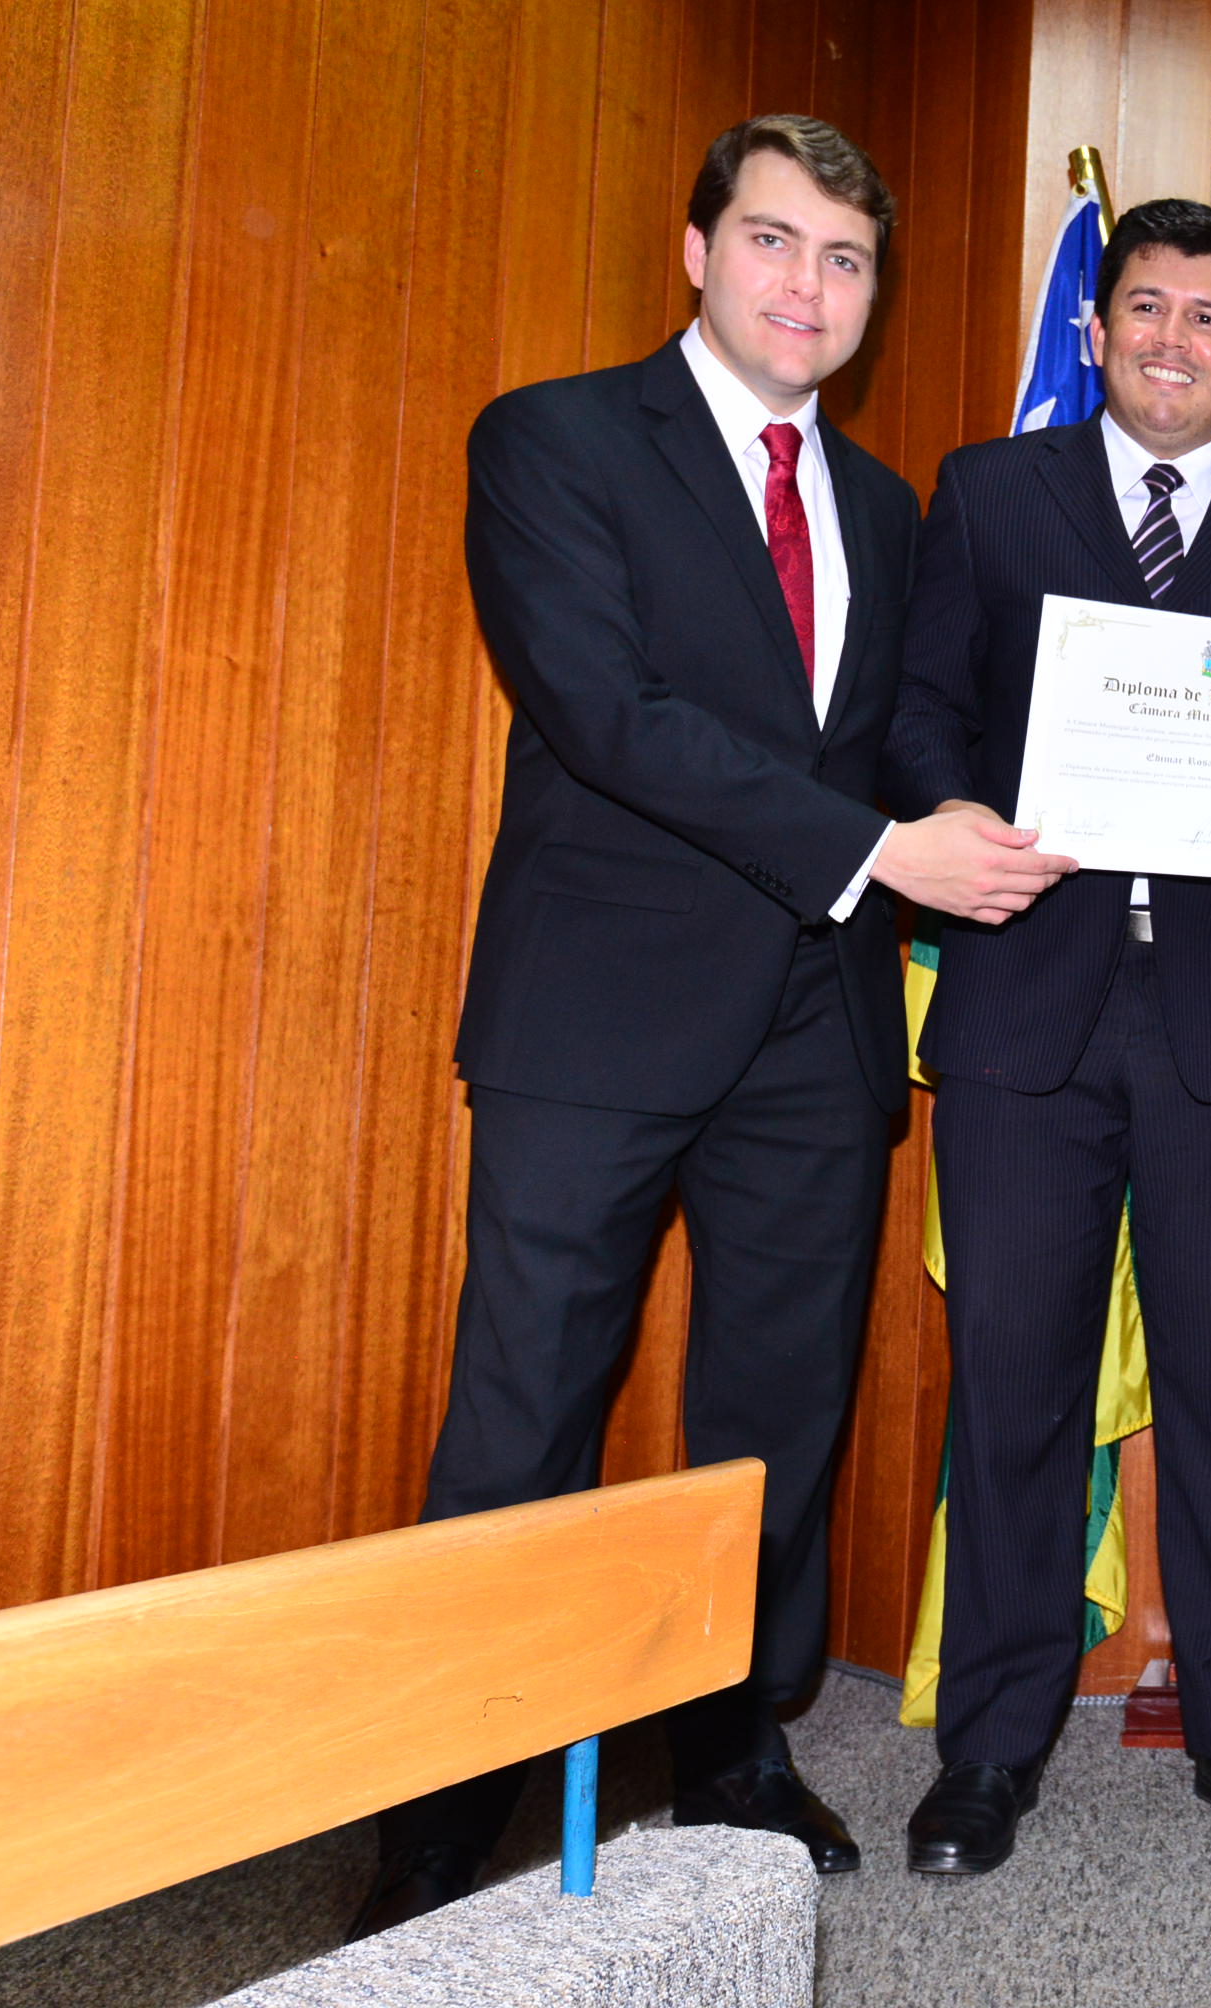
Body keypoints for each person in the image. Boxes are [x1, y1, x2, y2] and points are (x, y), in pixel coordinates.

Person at [350, 114, 1005, 1937]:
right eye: (776, 242)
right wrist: (884, 851)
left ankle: (731, 1747)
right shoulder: (553, 439)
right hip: (598, 1013)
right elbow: (605, 709)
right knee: (524, 1412)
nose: (810, 285)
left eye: (846, 260)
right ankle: (445, 1788)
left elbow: (889, 743)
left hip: (818, 1027)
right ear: (700, 251)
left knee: (775, 1417)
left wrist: (1012, 814)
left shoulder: (883, 507)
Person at [883, 198, 1211, 1876]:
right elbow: (921, 711)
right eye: (1147, 309)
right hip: (1026, 1005)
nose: (1174, 341)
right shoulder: (990, 492)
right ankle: (992, 1745)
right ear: (1096, 333)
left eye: (1208, 319)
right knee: (1013, 1394)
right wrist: (956, 813)